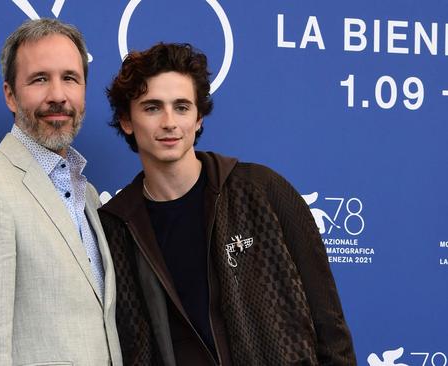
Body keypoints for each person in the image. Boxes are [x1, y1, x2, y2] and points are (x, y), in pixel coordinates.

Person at [99, 42, 356, 365]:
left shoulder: (262, 190)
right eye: (152, 108)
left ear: (198, 119)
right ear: (126, 121)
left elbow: (330, 329)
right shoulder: (117, 225)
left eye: (181, 107)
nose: (169, 122)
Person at [0, 18, 122, 366]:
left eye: (70, 78)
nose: (58, 95)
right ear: (10, 94)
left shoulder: (88, 194)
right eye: (40, 79)